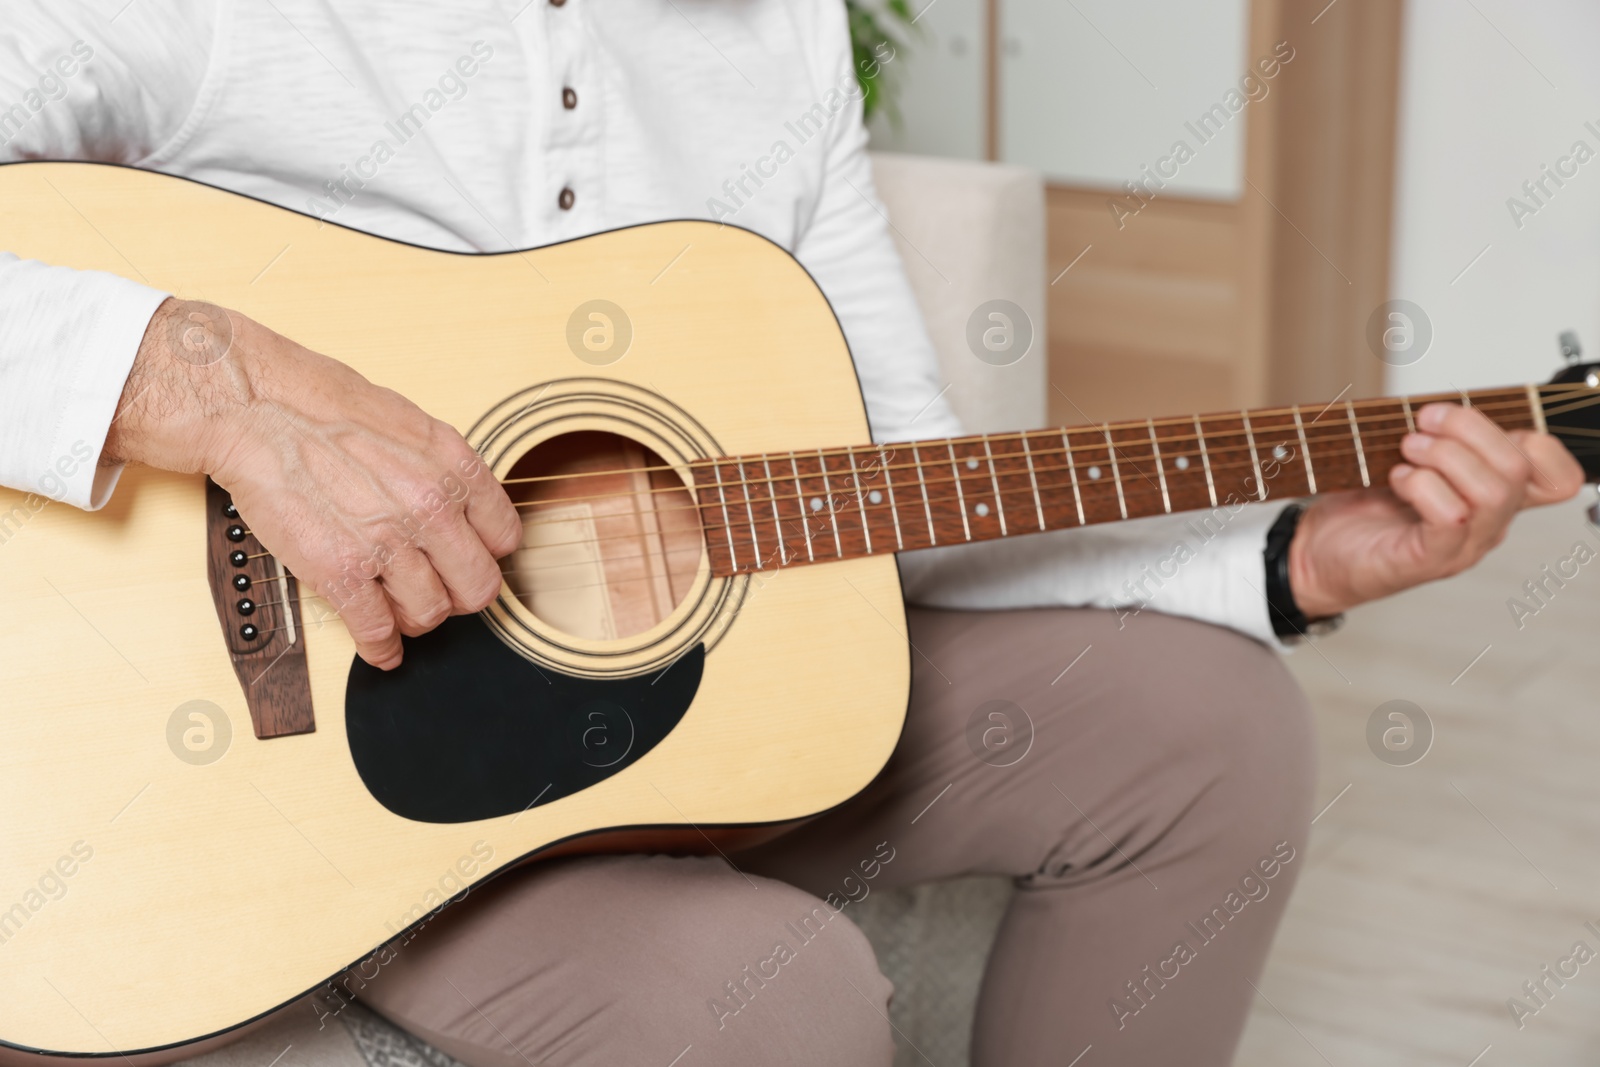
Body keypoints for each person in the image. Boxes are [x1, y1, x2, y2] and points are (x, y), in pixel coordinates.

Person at [0, 5, 1581, 1066]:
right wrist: (213, 397)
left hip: (694, 698)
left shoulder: (781, 34)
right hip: (311, 784)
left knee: (1216, 732)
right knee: (774, 1000)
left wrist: (1288, 563)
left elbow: (895, 478)